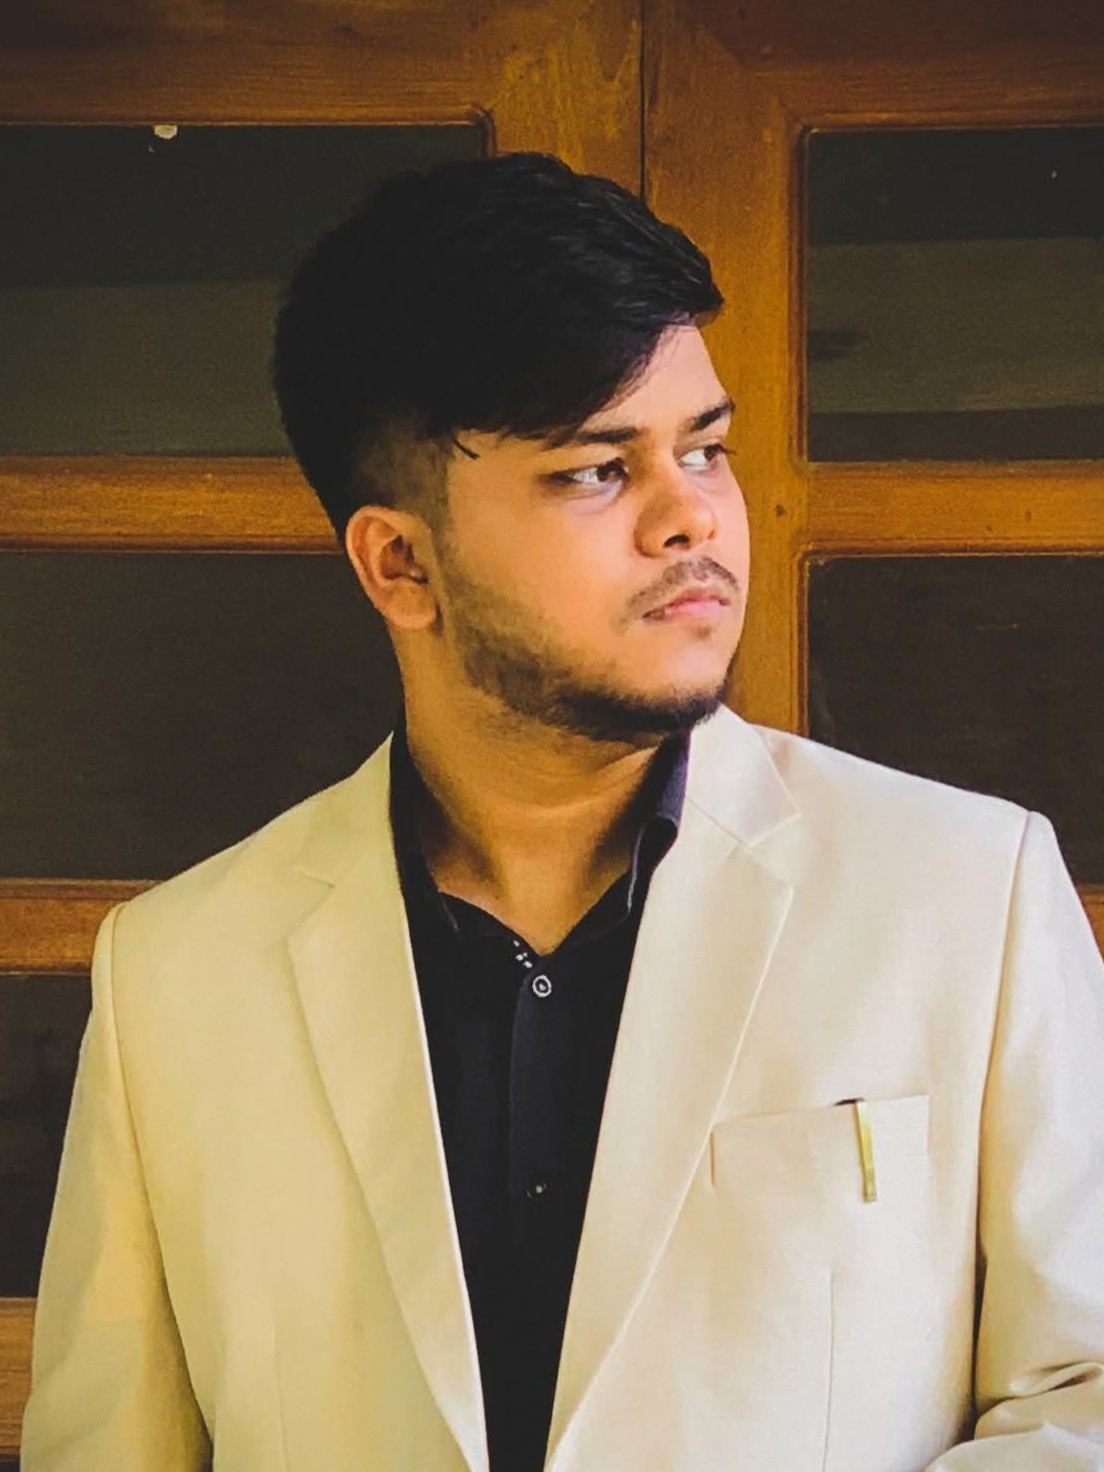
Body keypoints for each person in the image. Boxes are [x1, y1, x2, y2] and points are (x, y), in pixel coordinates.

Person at [21, 152, 1104, 1472]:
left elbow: (1089, 1394)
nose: (692, 517)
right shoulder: (178, 975)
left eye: (704, 449)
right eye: (597, 470)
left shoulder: (966, 892)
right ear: (401, 563)